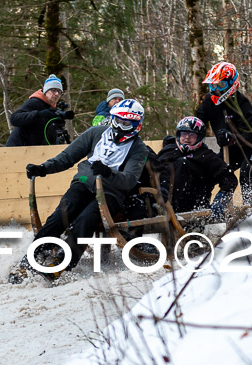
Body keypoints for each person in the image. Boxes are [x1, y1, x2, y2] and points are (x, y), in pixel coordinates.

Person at [9, 99, 148, 283]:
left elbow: (129, 179)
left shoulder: (139, 148)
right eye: (116, 120)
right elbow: (68, 156)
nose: (119, 126)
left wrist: (108, 172)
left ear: (136, 125)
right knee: (63, 213)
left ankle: (62, 264)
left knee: (86, 220)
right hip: (84, 182)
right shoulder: (97, 132)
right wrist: (43, 168)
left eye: (125, 123)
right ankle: (29, 262)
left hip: (111, 193)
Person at [196, 61, 252, 207]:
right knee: (212, 173)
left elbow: (250, 134)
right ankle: (202, 207)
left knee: (246, 175)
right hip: (229, 149)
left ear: (232, 84)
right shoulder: (209, 102)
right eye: (213, 85)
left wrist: (232, 138)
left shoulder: (242, 103)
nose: (216, 90)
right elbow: (198, 121)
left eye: (220, 86)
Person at [157, 116, 238, 214]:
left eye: (191, 135)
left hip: (194, 205)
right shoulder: (169, 150)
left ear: (199, 137)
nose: (187, 137)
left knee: (182, 163)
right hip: (165, 201)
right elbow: (154, 170)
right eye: (184, 134)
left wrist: (221, 199)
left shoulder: (207, 156)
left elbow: (230, 179)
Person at [5, 74, 75, 147]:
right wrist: (38, 114)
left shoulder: (53, 110)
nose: (57, 94)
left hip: (37, 151)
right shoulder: (34, 102)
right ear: (45, 91)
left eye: (59, 92)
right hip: (17, 148)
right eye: (53, 90)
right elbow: (14, 119)